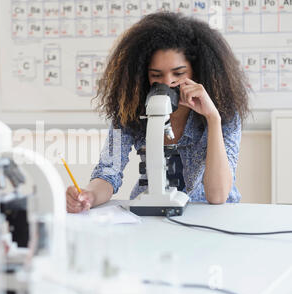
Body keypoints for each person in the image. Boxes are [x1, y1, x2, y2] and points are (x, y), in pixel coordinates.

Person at [66, 12, 250, 213]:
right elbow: (108, 172)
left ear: (197, 72)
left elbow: (217, 196)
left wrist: (213, 119)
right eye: (156, 75)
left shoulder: (224, 113)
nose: (167, 83)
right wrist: (88, 196)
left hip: (208, 215)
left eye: (178, 74)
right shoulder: (131, 113)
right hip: (151, 214)